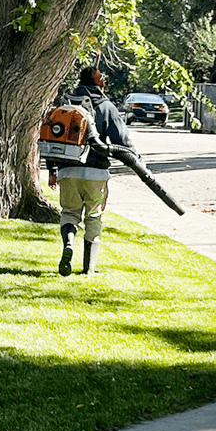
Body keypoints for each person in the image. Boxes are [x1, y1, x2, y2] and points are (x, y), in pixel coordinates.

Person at [57, 65, 135, 277]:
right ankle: (88, 268)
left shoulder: (66, 105)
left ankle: (68, 245)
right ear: (98, 82)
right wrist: (134, 157)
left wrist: (54, 171)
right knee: (93, 217)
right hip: (95, 173)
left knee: (70, 213)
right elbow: (122, 140)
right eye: (102, 78)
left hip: (67, 171)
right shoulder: (106, 106)